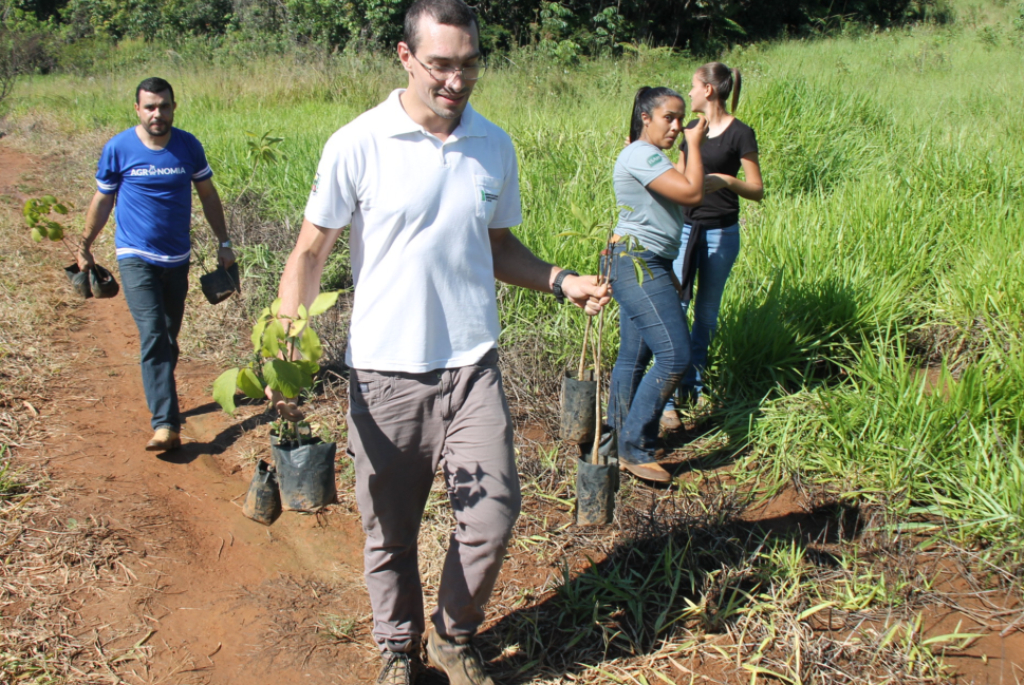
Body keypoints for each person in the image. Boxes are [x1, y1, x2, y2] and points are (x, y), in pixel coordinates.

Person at [268, 1, 609, 682]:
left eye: (469, 64)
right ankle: (398, 649)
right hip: (385, 375)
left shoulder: (493, 145)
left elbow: (498, 247)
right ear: (405, 57)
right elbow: (311, 252)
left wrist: (560, 279)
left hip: (471, 367)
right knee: (389, 532)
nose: (456, 80)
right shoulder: (358, 142)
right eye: (441, 65)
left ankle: (452, 637)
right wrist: (286, 345)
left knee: (494, 514)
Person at [77, 77, 235, 452]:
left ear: (174, 107)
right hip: (135, 256)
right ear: (137, 109)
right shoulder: (119, 148)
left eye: (163, 106)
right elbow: (102, 200)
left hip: (177, 259)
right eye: (150, 107)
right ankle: (165, 423)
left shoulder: (187, 146)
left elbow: (208, 194)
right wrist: (85, 244)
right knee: (154, 335)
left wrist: (224, 242)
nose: (157, 113)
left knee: (168, 337)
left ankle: (160, 390)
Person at [605, 87, 707, 484]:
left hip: (647, 261)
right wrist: (695, 144)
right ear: (645, 117)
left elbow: (686, 186)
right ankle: (635, 446)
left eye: (682, 120)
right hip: (637, 261)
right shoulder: (640, 154)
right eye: (670, 118)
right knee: (675, 355)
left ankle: (613, 440)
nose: (679, 127)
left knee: (635, 354)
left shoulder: (653, 158)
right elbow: (692, 192)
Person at [661, 63, 763, 430]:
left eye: (692, 87)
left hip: (722, 233)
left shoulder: (741, 134)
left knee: (706, 314)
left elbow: (757, 189)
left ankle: (693, 387)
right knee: (676, 307)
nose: (688, 93)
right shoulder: (691, 130)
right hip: (687, 230)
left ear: (708, 90)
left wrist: (725, 181)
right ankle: (668, 397)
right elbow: (678, 173)